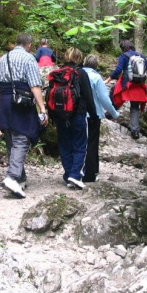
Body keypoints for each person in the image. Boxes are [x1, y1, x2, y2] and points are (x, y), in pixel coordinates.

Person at [0, 33, 49, 198]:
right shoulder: (29, 59)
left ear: (17, 43)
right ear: (29, 45)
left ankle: (20, 179)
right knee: (22, 138)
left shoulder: (4, 59)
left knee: (11, 137)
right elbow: (35, 86)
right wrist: (42, 109)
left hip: (4, 102)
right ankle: (12, 176)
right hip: (21, 103)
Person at [51, 47, 97, 190]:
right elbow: (88, 96)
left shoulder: (57, 73)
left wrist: (53, 115)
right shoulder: (80, 73)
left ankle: (68, 174)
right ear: (79, 58)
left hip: (60, 115)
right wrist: (94, 115)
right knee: (80, 144)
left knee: (65, 145)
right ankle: (75, 175)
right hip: (78, 114)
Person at [105, 39, 147, 139]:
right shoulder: (140, 56)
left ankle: (111, 113)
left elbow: (118, 70)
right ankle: (135, 131)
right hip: (138, 85)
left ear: (123, 48)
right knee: (134, 107)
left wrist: (108, 79)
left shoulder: (123, 56)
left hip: (126, 84)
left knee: (114, 93)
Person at [82, 54, 120, 183]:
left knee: (79, 143)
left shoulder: (77, 74)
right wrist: (114, 114)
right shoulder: (96, 77)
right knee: (92, 144)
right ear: (96, 65)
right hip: (93, 115)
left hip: (77, 114)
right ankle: (91, 174)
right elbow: (104, 99)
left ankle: (77, 171)